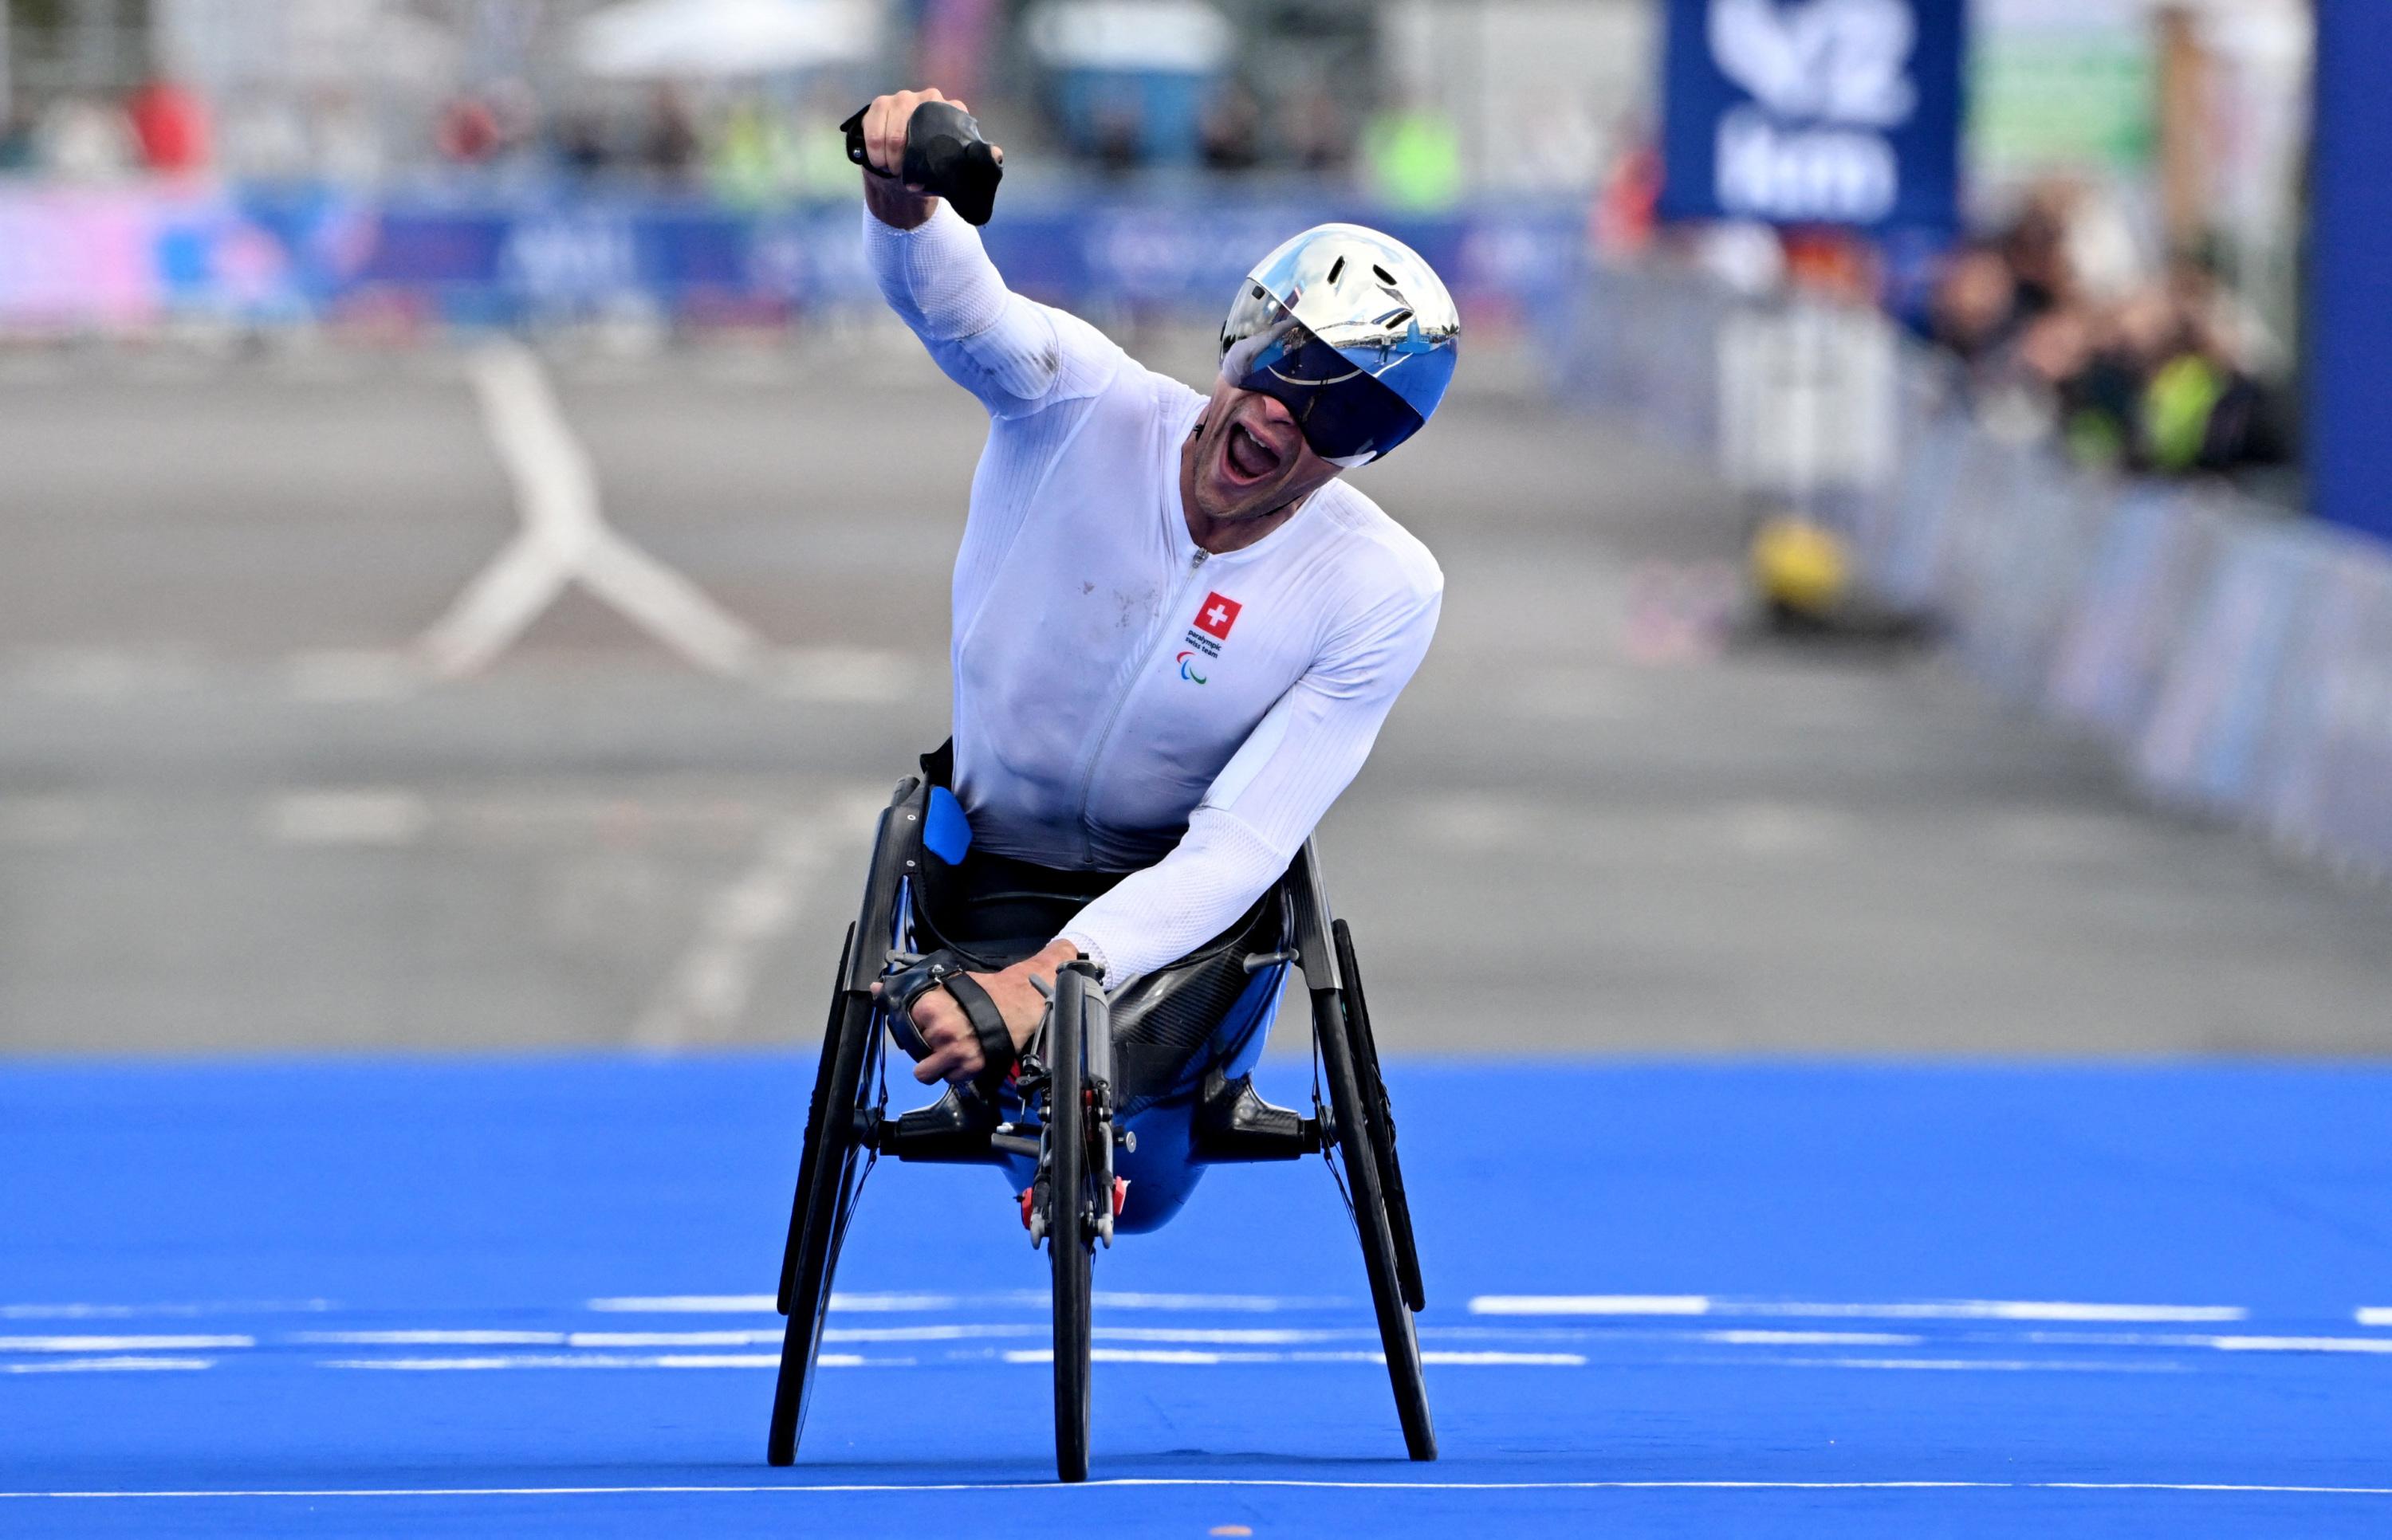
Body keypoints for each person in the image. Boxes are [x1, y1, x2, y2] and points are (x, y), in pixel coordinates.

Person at [849, 88, 1457, 1090]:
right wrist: (903, 198)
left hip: (1180, 917)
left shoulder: (1382, 589)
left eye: (1343, 415)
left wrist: (1048, 982)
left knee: (1099, 1073)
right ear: (1240, 333)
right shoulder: (1081, 401)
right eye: (1283, 363)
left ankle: (1092, 1125)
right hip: (990, 873)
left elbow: (1244, 841)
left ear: (1372, 452)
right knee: (977, 1042)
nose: (1283, 416)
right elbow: (957, 308)